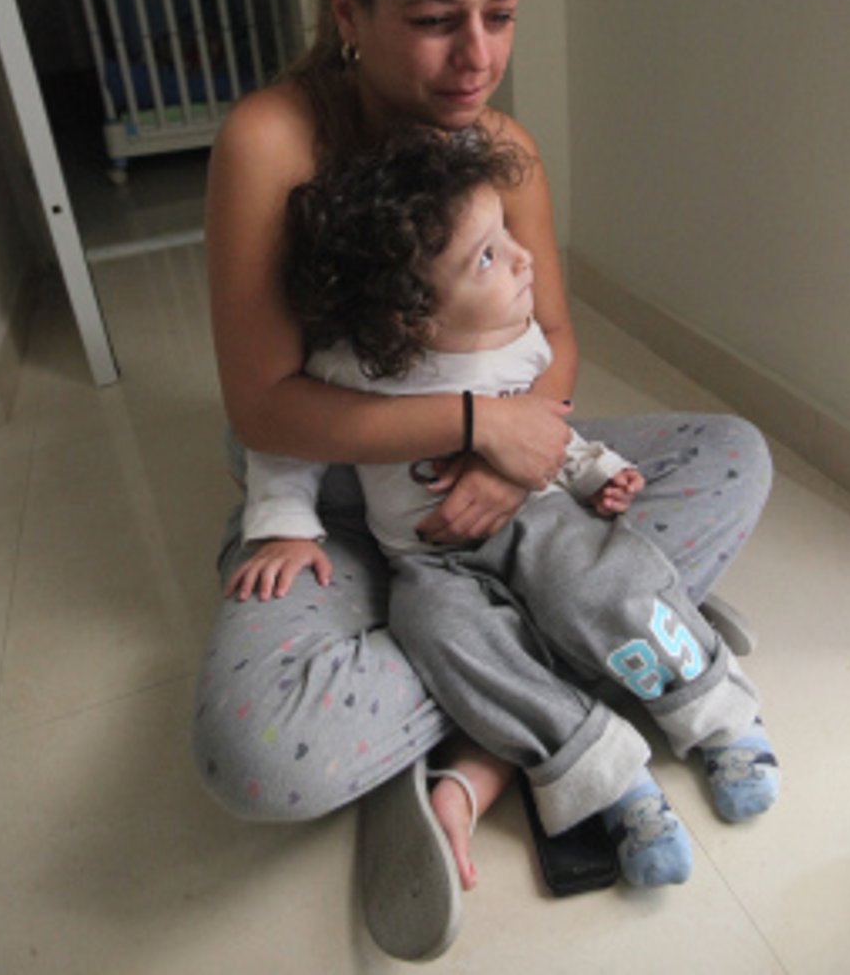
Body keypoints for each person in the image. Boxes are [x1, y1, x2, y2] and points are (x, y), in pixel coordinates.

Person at [192, 0, 775, 962]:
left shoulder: (500, 147)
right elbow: (265, 404)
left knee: (734, 450)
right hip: (334, 492)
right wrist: (471, 431)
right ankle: (621, 642)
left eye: (500, 15)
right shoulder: (272, 140)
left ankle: (493, 737)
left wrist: (512, 460)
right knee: (255, 754)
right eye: (435, 19)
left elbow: (551, 341)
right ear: (348, 7)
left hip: (510, 484)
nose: (477, 58)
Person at [230, 125, 779, 893]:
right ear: (409, 317)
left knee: (593, 583)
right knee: (436, 631)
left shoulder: (515, 341)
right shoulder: (346, 364)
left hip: (539, 519)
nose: (523, 257)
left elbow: (556, 430)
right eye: (488, 255)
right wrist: (285, 524)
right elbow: (286, 442)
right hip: (425, 559)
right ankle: (605, 776)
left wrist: (600, 474)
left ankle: (717, 714)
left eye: (507, 236)